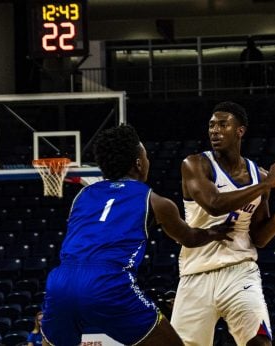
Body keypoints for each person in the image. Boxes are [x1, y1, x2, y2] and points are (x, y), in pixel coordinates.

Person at [41, 124, 234, 346]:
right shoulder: (155, 201)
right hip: (108, 283)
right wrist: (212, 232)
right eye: (145, 155)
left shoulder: (82, 196)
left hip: (60, 283)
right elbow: (188, 238)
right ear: (139, 163)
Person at [170, 101, 275, 346]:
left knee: (260, 342)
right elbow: (215, 203)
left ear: (240, 131)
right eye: (211, 126)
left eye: (223, 124)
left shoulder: (260, 175)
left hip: (240, 270)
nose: (214, 130)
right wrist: (266, 186)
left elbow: (260, 238)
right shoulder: (195, 164)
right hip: (196, 273)